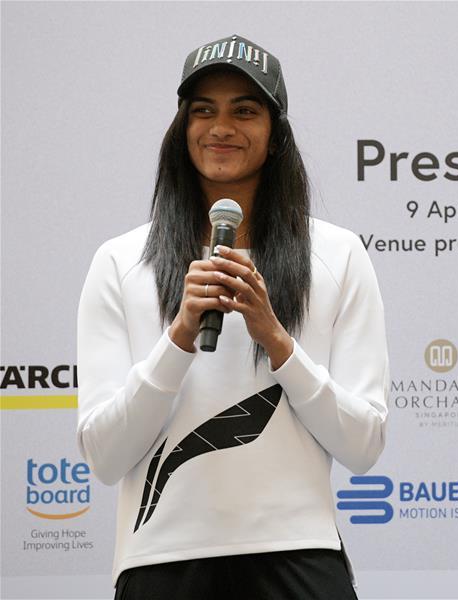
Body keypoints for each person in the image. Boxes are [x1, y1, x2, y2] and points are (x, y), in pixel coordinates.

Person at [76, 34, 388, 599]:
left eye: (244, 111)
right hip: (161, 559)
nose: (221, 128)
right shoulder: (121, 261)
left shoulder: (337, 254)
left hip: (299, 553)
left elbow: (364, 444)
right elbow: (104, 455)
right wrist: (178, 337)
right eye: (204, 111)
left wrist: (277, 340)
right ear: (182, 130)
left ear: (275, 135)